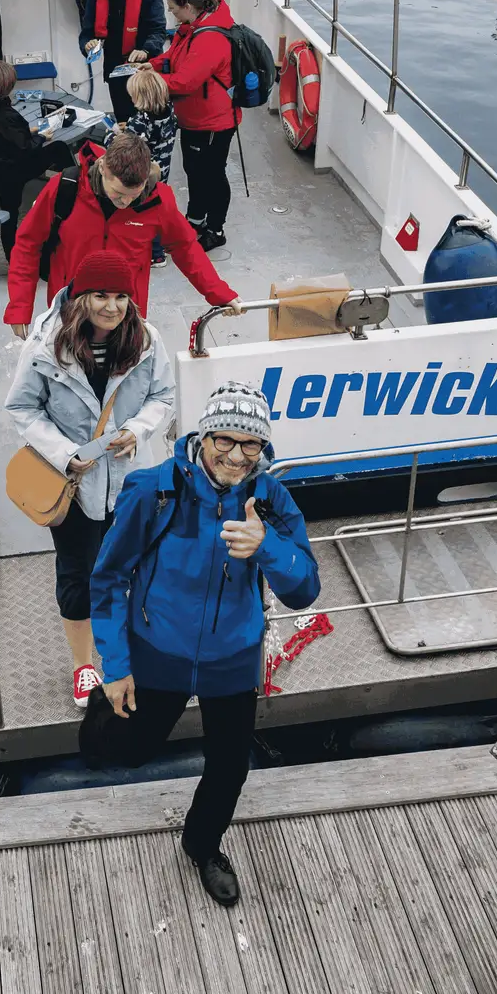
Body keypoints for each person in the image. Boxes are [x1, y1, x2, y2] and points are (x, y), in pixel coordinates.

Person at [81, 382, 320, 904]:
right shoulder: (153, 490)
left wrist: (268, 548)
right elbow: (107, 579)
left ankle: (203, 845)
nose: (236, 456)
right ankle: (101, 714)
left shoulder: (271, 499)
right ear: (203, 435)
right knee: (129, 750)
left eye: (250, 445)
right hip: (157, 652)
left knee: (231, 766)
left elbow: (306, 589)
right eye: (224, 441)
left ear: (264, 448)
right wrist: (115, 667)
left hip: (231, 659)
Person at [3, 252, 177, 708]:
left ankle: (132, 653)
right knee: (79, 575)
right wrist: (65, 455)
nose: (112, 306)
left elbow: (163, 396)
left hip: (132, 482)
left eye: (121, 296)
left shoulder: (147, 340)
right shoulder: (44, 348)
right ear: (80, 297)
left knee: (139, 566)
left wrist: (136, 430)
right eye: (101, 295)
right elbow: (22, 408)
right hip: (73, 490)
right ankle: (84, 666)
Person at [3, 131, 237, 337]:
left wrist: (219, 293)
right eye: (118, 193)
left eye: (133, 195)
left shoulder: (159, 200)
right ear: (103, 168)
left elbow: (186, 247)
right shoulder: (63, 188)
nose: (125, 202)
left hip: (125, 319)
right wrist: (20, 307)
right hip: (70, 313)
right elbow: (28, 244)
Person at [141, 0, 237, 254]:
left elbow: (185, 81)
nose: (170, 13)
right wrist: (154, 65)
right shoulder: (194, 27)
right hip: (196, 117)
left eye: (172, 8)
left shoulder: (209, 39)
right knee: (195, 171)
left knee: (212, 175)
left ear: (186, 5)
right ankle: (195, 222)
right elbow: (175, 57)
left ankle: (215, 230)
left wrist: (150, 83)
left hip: (212, 122)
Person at [0, 58, 73, 258]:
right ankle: (76, 189)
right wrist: (40, 136)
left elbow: (5, 134)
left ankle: (12, 258)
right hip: (18, 167)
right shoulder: (5, 115)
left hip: (0, 168)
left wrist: (29, 130)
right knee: (60, 148)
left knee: (9, 213)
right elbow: (25, 148)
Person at [79, 0, 168, 122]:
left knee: (150, 121)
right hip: (116, 70)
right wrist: (87, 44)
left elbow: (158, 30)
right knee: (123, 121)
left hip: (145, 70)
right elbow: (87, 32)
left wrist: (146, 50)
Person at [119, 71, 179, 267]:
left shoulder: (140, 122)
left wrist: (111, 136)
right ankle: (161, 247)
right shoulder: (169, 110)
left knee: (141, 212)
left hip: (144, 174)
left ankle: (155, 254)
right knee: (156, 207)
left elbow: (127, 146)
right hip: (162, 170)